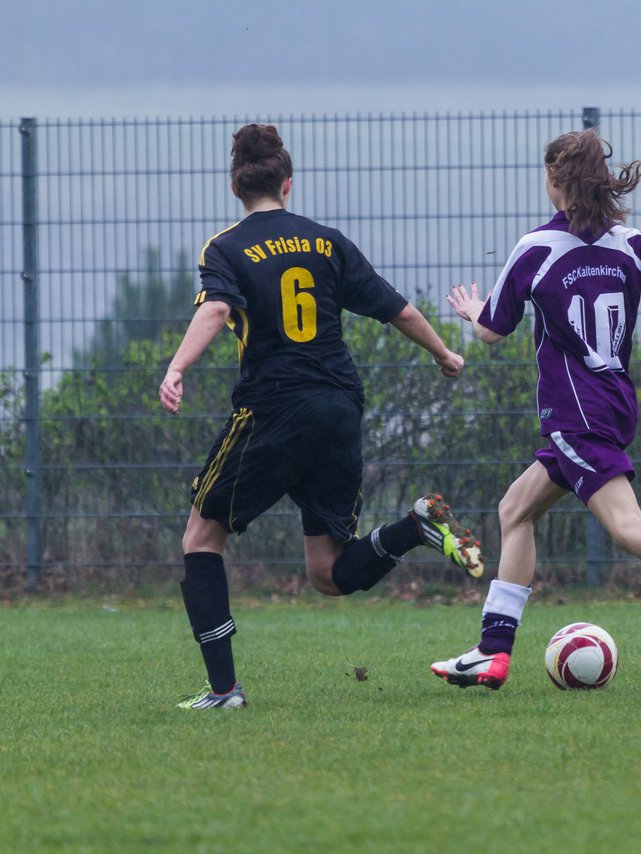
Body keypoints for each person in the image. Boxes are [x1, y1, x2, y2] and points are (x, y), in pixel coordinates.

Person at [160, 123, 483, 709]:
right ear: (288, 182)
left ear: (235, 186)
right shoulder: (326, 242)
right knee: (327, 572)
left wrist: (177, 367)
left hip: (273, 409)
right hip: (338, 408)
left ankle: (224, 691)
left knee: (201, 539)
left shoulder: (226, 247)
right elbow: (396, 308)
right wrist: (444, 353)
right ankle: (414, 528)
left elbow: (216, 309)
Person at [431, 128, 641, 691]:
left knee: (625, 525)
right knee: (515, 510)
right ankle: (493, 651)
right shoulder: (632, 243)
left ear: (555, 180)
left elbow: (490, 332)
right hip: (612, 405)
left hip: (573, 414)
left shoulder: (536, 247)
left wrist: (470, 311)